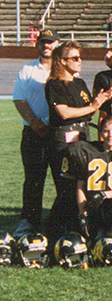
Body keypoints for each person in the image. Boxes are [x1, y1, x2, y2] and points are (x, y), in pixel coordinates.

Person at [44, 41, 112, 241]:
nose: (79, 61)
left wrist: (96, 104)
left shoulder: (80, 83)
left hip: (83, 136)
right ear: (62, 61)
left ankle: (79, 229)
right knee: (66, 188)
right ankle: (55, 231)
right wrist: (93, 106)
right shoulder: (54, 84)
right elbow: (64, 113)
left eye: (80, 57)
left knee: (82, 185)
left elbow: (88, 111)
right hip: (64, 138)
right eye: (75, 58)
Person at [12, 28, 60, 237]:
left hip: (58, 132)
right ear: (37, 44)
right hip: (33, 133)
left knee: (62, 180)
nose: (46, 45)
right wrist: (35, 123)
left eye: (50, 42)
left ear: (57, 44)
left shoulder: (64, 68)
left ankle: (60, 221)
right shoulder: (27, 69)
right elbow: (19, 99)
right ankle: (29, 221)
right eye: (43, 42)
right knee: (33, 179)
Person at [68, 116, 112, 241]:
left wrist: (104, 195)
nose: (110, 135)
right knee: (87, 239)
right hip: (91, 203)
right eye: (106, 131)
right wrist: (82, 213)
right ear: (100, 133)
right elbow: (80, 186)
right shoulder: (87, 150)